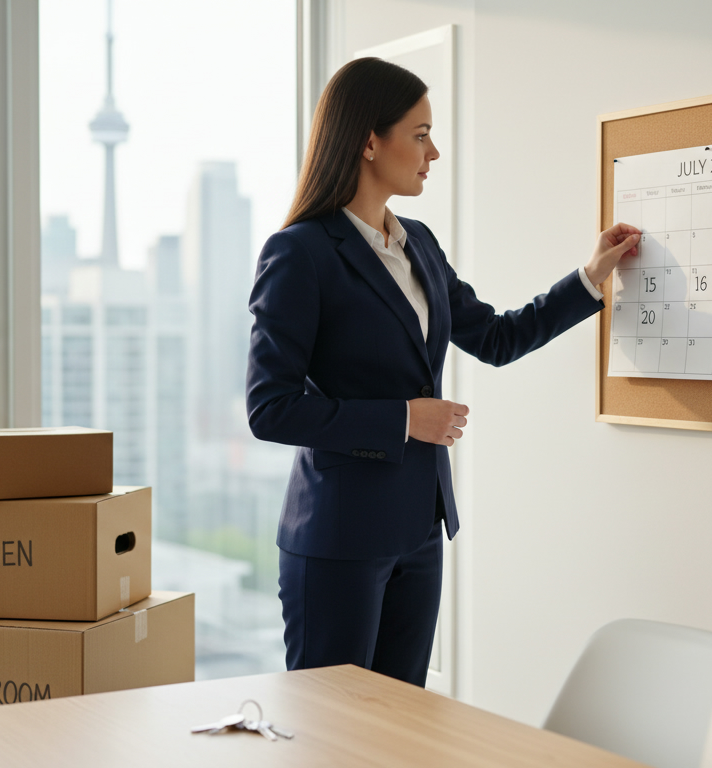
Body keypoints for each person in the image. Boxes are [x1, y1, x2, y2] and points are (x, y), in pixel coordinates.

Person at [246, 57, 639, 687]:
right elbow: (271, 409)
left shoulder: (419, 243)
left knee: (401, 721)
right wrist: (404, 420)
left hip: (418, 529)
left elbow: (498, 338)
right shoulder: (300, 252)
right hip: (339, 539)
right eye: (421, 135)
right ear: (369, 142)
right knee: (333, 726)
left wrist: (591, 277)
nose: (434, 153)